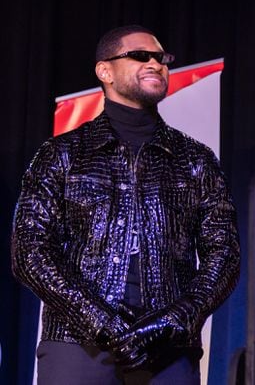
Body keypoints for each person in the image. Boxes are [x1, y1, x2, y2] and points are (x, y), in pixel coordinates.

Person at [11, 25, 240, 384]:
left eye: (161, 58)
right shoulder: (61, 154)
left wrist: (176, 319)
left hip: (169, 350)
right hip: (78, 345)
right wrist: (101, 322)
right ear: (105, 71)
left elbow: (224, 254)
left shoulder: (196, 159)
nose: (156, 64)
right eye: (140, 56)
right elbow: (30, 252)